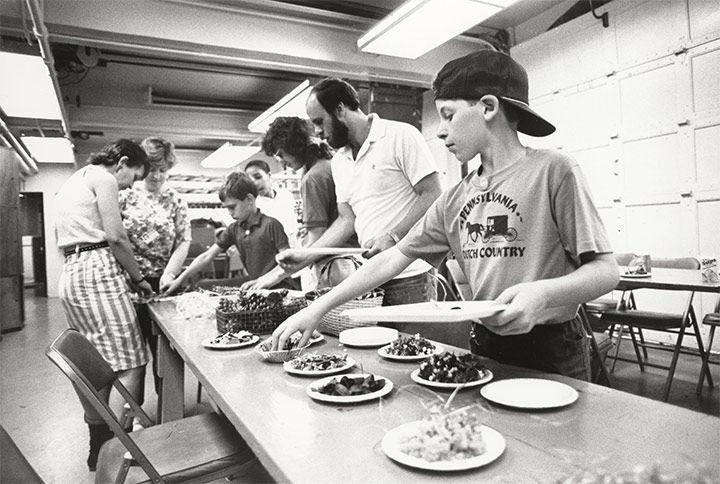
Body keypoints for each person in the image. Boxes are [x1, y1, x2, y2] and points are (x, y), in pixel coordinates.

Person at [271, 50, 619, 382]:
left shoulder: (554, 171)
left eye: (448, 115)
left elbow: (604, 272)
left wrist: (543, 294)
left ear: (488, 107)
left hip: (553, 346)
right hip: (488, 344)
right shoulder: (454, 199)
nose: (440, 130)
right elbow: (393, 258)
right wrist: (317, 309)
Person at [274, 78, 443, 324]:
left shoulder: (400, 135)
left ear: (340, 110)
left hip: (410, 275)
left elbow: (433, 194)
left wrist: (393, 236)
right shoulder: (339, 161)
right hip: (369, 278)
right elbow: (346, 220)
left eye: (319, 122)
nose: (318, 132)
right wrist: (307, 255)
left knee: (412, 354)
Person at [55, 139, 153, 470]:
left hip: (71, 272)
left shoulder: (74, 179)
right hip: (97, 271)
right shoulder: (105, 178)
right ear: (123, 162)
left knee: (95, 363)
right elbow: (116, 236)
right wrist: (138, 278)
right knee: (132, 361)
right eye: (134, 177)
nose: (130, 186)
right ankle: (118, 447)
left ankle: (98, 445)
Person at [242, 116, 357, 290]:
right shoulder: (329, 165)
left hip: (335, 268)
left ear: (294, 147)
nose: (280, 160)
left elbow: (316, 241)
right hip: (352, 264)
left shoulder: (313, 178)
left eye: (281, 154)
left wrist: (272, 277)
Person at [118, 137, 191, 398]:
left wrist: (170, 273)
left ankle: (167, 410)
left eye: (163, 170)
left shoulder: (175, 199)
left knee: (165, 353)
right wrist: (131, 275)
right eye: (153, 169)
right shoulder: (123, 196)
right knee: (132, 357)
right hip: (128, 283)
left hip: (162, 283)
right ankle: (132, 413)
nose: (158, 176)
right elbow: (113, 239)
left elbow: (184, 240)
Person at [162, 172, 292, 294]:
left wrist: (265, 280)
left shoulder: (271, 225)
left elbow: (289, 262)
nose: (230, 213)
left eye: (232, 207)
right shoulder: (234, 229)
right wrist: (179, 280)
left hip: (282, 290)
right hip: (258, 290)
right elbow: (206, 256)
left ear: (249, 199)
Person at [244, 159, 298, 247]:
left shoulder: (286, 195)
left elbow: (292, 224)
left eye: (258, 177)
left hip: (294, 247)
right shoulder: (253, 205)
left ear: (269, 175)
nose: (255, 183)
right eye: (250, 181)